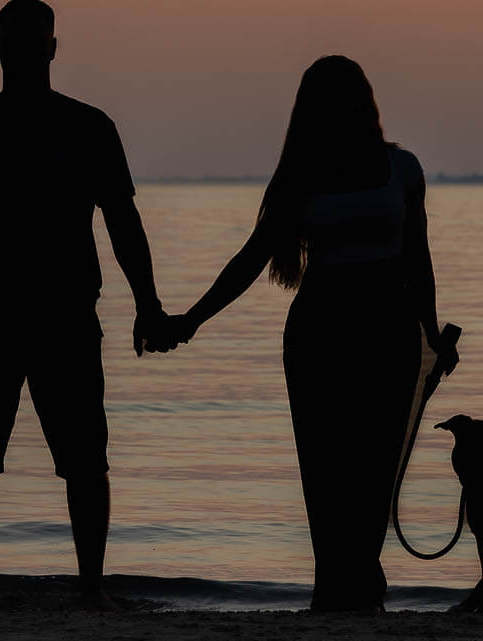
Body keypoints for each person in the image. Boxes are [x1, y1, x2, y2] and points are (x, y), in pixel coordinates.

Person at [166, 55, 458, 612]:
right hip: (320, 332)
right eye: (329, 101)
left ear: (366, 102)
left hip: (389, 330)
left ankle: (361, 590)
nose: (343, 109)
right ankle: (335, 592)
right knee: (325, 473)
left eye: (350, 97)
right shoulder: (300, 178)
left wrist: (431, 333)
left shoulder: (404, 169)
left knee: (374, 473)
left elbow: (419, 258)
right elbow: (253, 257)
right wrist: (193, 319)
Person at [0, 0, 174, 610]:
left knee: (86, 461)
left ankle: (91, 590)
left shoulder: (90, 128)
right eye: (19, 40)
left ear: (53, 48)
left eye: (40, 41)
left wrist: (148, 303)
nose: (30, 52)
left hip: (67, 318)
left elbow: (123, 221)